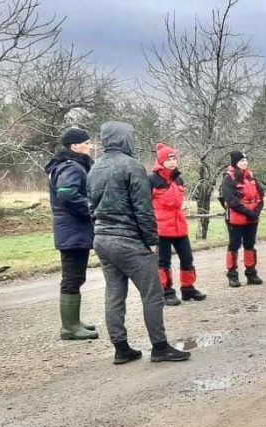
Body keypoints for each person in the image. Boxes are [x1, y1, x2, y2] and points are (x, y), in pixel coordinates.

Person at [87, 121, 190, 365]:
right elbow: (143, 208)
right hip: (129, 239)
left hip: (102, 238)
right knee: (152, 294)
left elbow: (90, 205)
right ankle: (160, 347)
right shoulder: (131, 166)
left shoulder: (95, 168)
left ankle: (121, 348)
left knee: (114, 293)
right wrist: (151, 240)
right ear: (125, 139)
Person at [44, 127, 99, 340]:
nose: (91, 146)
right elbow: (67, 194)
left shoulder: (68, 165)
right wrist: (92, 209)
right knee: (72, 277)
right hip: (73, 229)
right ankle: (69, 327)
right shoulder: (72, 167)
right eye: (87, 142)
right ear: (75, 146)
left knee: (75, 276)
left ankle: (74, 321)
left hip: (71, 230)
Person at [150, 143, 206, 306]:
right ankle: (166, 292)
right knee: (163, 261)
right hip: (161, 227)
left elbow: (179, 200)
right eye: (169, 159)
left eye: (174, 158)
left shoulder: (179, 178)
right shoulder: (152, 180)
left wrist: (183, 207)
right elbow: (145, 204)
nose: (173, 162)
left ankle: (188, 289)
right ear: (161, 161)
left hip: (179, 225)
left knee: (187, 258)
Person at [221, 151, 265, 288]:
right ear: (235, 163)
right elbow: (231, 201)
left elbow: (260, 195)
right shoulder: (229, 179)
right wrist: (248, 212)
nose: (245, 163)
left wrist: (256, 211)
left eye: (246, 160)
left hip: (252, 218)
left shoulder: (251, 177)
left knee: (250, 245)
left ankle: (251, 273)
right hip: (236, 219)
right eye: (241, 161)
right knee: (234, 246)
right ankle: (232, 275)